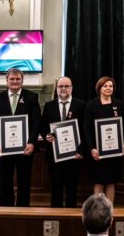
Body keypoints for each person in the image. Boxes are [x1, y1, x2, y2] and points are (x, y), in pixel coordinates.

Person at [0, 67, 41, 207]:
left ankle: (23, 210)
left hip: (25, 148)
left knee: (24, 181)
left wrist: (32, 143)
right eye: (12, 79)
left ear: (22, 80)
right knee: (4, 181)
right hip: (3, 148)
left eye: (18, 79)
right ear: (7, 80)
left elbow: (36, 123)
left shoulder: (31, 97)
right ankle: (5, 210)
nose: (15, 81)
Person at [40, 76, 86, 207]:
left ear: (72, 88)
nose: (63, 89)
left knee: (72, 188)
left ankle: (70, 215)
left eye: (67, 86)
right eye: (60, 86)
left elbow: (85, 129)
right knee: (56, 188)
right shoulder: (49, 105)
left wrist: (81, 150)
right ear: (57, 89)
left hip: (74, 155)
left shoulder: (81, 105)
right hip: (55, 155)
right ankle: (55, 214)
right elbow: (43, 126)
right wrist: (46, 135)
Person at [84, 76, 124, 202]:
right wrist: (92, 148)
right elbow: (86, 129)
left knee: (111, 182)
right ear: (99, 88)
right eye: (105, 86)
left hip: (114, 151)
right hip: (98, 152)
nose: (108, 88)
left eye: (111, 86)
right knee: (99, 182)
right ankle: (98, 210)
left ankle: (109, 210)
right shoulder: (91, 105)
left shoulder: (118, 104)